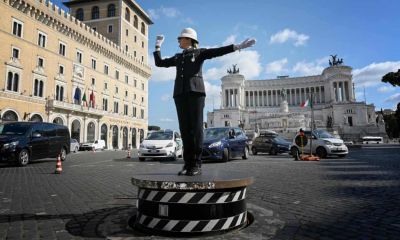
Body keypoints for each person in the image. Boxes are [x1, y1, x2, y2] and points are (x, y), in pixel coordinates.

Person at [154, 28, 256, 176]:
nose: (178, 41)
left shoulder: (199, 53)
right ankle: (187, 164)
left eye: (180, 38)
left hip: (196, 92)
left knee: (196, 130)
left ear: (189, 39)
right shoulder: (178, 57)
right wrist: (157, 46)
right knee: (184, 130)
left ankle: (196, 164)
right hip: (180, 94)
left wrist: (237, 47)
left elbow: (217, 51)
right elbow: (159, 63)